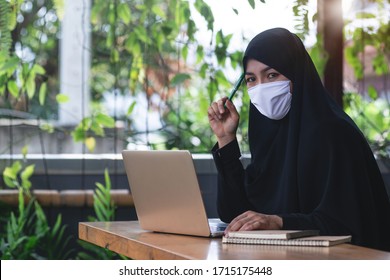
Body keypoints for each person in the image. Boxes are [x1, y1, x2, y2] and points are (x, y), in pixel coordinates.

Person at [207, 27, 390, 251]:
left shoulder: (334, 133)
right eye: (251, 79)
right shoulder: (268, 134)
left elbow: (346, 222)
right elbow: (235, 214)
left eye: (272, 75)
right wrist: (226, 139)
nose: (261, 87)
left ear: (296, 73)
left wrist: (278, 222)